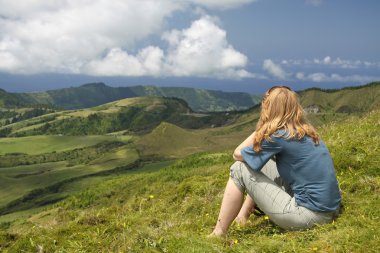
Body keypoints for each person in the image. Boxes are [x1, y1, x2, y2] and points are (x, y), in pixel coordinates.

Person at [209, 86, 341, 237]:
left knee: (239, 168)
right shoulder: (306, 132)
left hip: (308, 216)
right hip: (330, 210)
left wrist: (262, 128)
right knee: (260, 164)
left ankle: (218, 233)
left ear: (270, 108)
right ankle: (242, 216)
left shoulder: (279, 135)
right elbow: (256, 163)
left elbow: (237, 154)